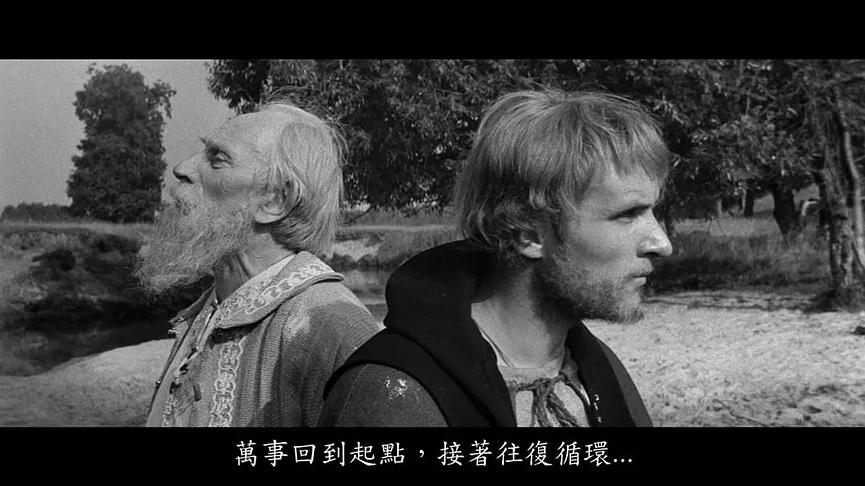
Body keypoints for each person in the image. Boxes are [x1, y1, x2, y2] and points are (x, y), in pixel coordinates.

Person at [319, 89, 672, 427]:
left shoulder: (600, 371)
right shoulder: (394, 396)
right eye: (628, 214)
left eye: (652, 211)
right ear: (529, 234)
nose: (662, 243)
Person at [136, 98, 381, 427]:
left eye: (217, 159)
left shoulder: (331, 326)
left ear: (275, 200)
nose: (182, 168)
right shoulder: (214, 304)